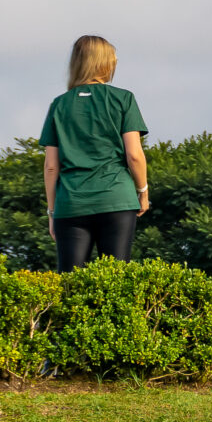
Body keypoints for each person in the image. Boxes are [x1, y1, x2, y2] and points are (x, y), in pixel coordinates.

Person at [40, 34, 150, 270]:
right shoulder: (123, 99)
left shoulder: (58, 105)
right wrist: (143, 191)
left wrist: (52, 212)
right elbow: (134, 155)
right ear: (104, 63)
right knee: (116, 279)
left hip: (71, 203)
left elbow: (51, 166)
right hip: (117, 199)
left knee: (69, 283)